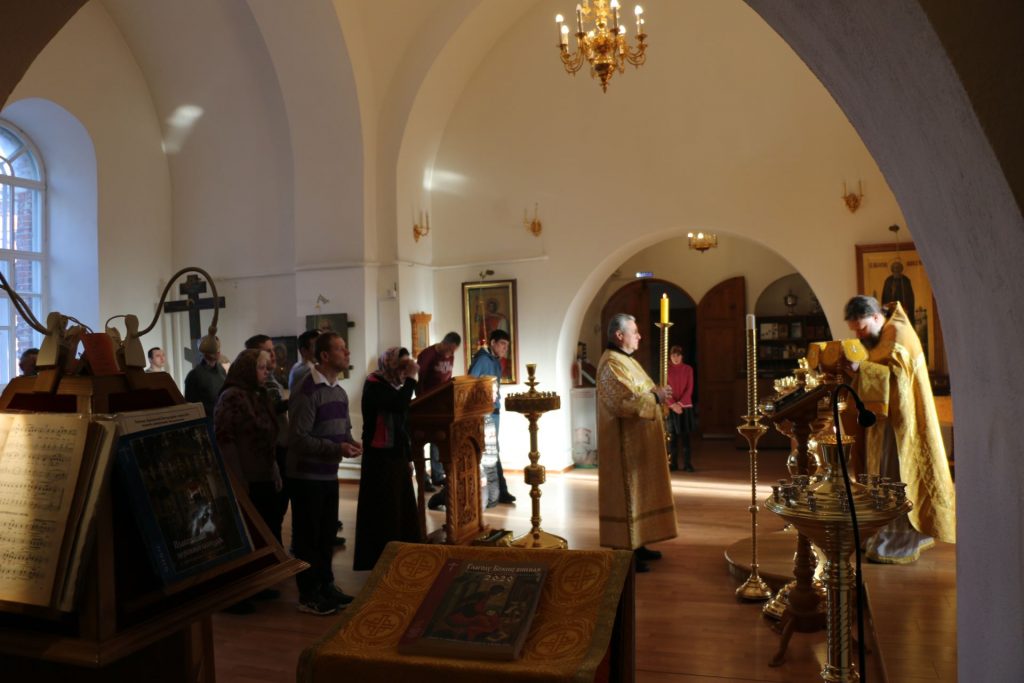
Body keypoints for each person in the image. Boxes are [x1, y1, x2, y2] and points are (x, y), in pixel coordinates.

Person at [841, 295, 956, 564]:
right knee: (879, 473)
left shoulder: (898, 334)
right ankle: (878, 530)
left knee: (894, 473)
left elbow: (898, 380)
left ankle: (899, 536)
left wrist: (861, 369)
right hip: (881, 421)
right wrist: (857, 370)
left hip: (899, 426)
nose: (859, 335)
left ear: (876, 317)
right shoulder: (883, 333)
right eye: (855, 330)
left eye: (862, 328)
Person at [597, 313, 678, 572]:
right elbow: (622, 402)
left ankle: (639, 543)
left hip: (639, 442)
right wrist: (656, 397)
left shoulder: (627, 360)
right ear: (619, 335)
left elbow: (643, 389)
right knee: (627, 496)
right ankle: (625, 553)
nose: (640, 336)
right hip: (623, 445)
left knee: (639, 493)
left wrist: (658, 394)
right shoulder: (611, 364)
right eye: (635, 332)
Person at [288, 331, 362, 614]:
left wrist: (351, 443)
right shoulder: (307, 390)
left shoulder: (339, 392)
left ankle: (326, 585)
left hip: (329, 474)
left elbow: (343, 430)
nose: (348, 353)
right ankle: (308, 595)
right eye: (342, 349)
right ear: (325, 356)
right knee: (308, 538)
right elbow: (298, 438)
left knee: (326, 535)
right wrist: (336, 448)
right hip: (306, 476)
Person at [214, 348, 281, 611]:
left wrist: (274, 469)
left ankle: (257, 584)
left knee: (262, 532)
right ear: (247, 370)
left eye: (266, 367)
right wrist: (237, 479)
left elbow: (268, 438)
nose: (266, 372)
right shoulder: (231, 397)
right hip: (244, 478)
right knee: (242, 536)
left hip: (262, 475)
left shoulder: (258, 394)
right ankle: (236, 594)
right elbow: (225, 439)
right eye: (261, 368)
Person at [353, 347, 423, 571]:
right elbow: (398, 405)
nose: (404, 371)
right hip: (379, 458)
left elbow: (402, 425)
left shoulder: (395, 386)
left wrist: (409, 458)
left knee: (401, 508)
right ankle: (383, 559)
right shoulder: (374, 384)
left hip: (397, 454)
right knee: (384, 510)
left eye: (406, 367)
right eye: (401, 366)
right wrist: (411, 379)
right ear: (390, 364)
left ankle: (404, 554)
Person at [245, 334, 293, 548]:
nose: (274, 355)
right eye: (268, 351)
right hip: (268, 452)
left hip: (280, 448)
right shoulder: (251, 388)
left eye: (273, 350)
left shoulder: (271, 379)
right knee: (271, 509)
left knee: (279, 506)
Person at [468, 328, 516, 508]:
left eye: (507, 346)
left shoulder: (496, 362)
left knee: (492, 450)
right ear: (493, 343)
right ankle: (498, 491)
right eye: (502, 344)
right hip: (483, 413)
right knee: (485, 451)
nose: (505, 348)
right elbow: (469, 383)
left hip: (494, 411)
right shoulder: (482, 360)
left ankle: (500, 491)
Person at [416, 331, 461, 491]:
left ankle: (438, 474)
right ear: (444, 343)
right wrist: (421, 401)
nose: (451, 354)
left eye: (454, 351)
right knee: (421, 439)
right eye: (450, 349)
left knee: (439, 438)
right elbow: (419, 380)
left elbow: (448, 378)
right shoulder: (427, 355)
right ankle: (422, 477)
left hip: (442, 405)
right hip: (426, 404)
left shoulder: (451, 355)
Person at [666, 345, 696, 472]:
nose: (676, 358)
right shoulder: (666, 369)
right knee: (672, 438)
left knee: (685, 437)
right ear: (670, 356)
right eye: (673, 355)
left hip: (685, 407)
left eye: (678, 355)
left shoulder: (688, 369)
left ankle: (687, 464)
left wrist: (680, 404)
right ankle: (673, 463)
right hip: (671, 407)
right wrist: (673, 404)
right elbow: (665, 389)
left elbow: (689, 388)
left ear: (682, 356)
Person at [184, 338, 226, 420]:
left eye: (218, 347)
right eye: (213, 347)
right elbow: (191, 406)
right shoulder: (194, 375)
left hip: (222, 418)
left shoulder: (221, 370)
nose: (217, 351)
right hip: (207, 421)